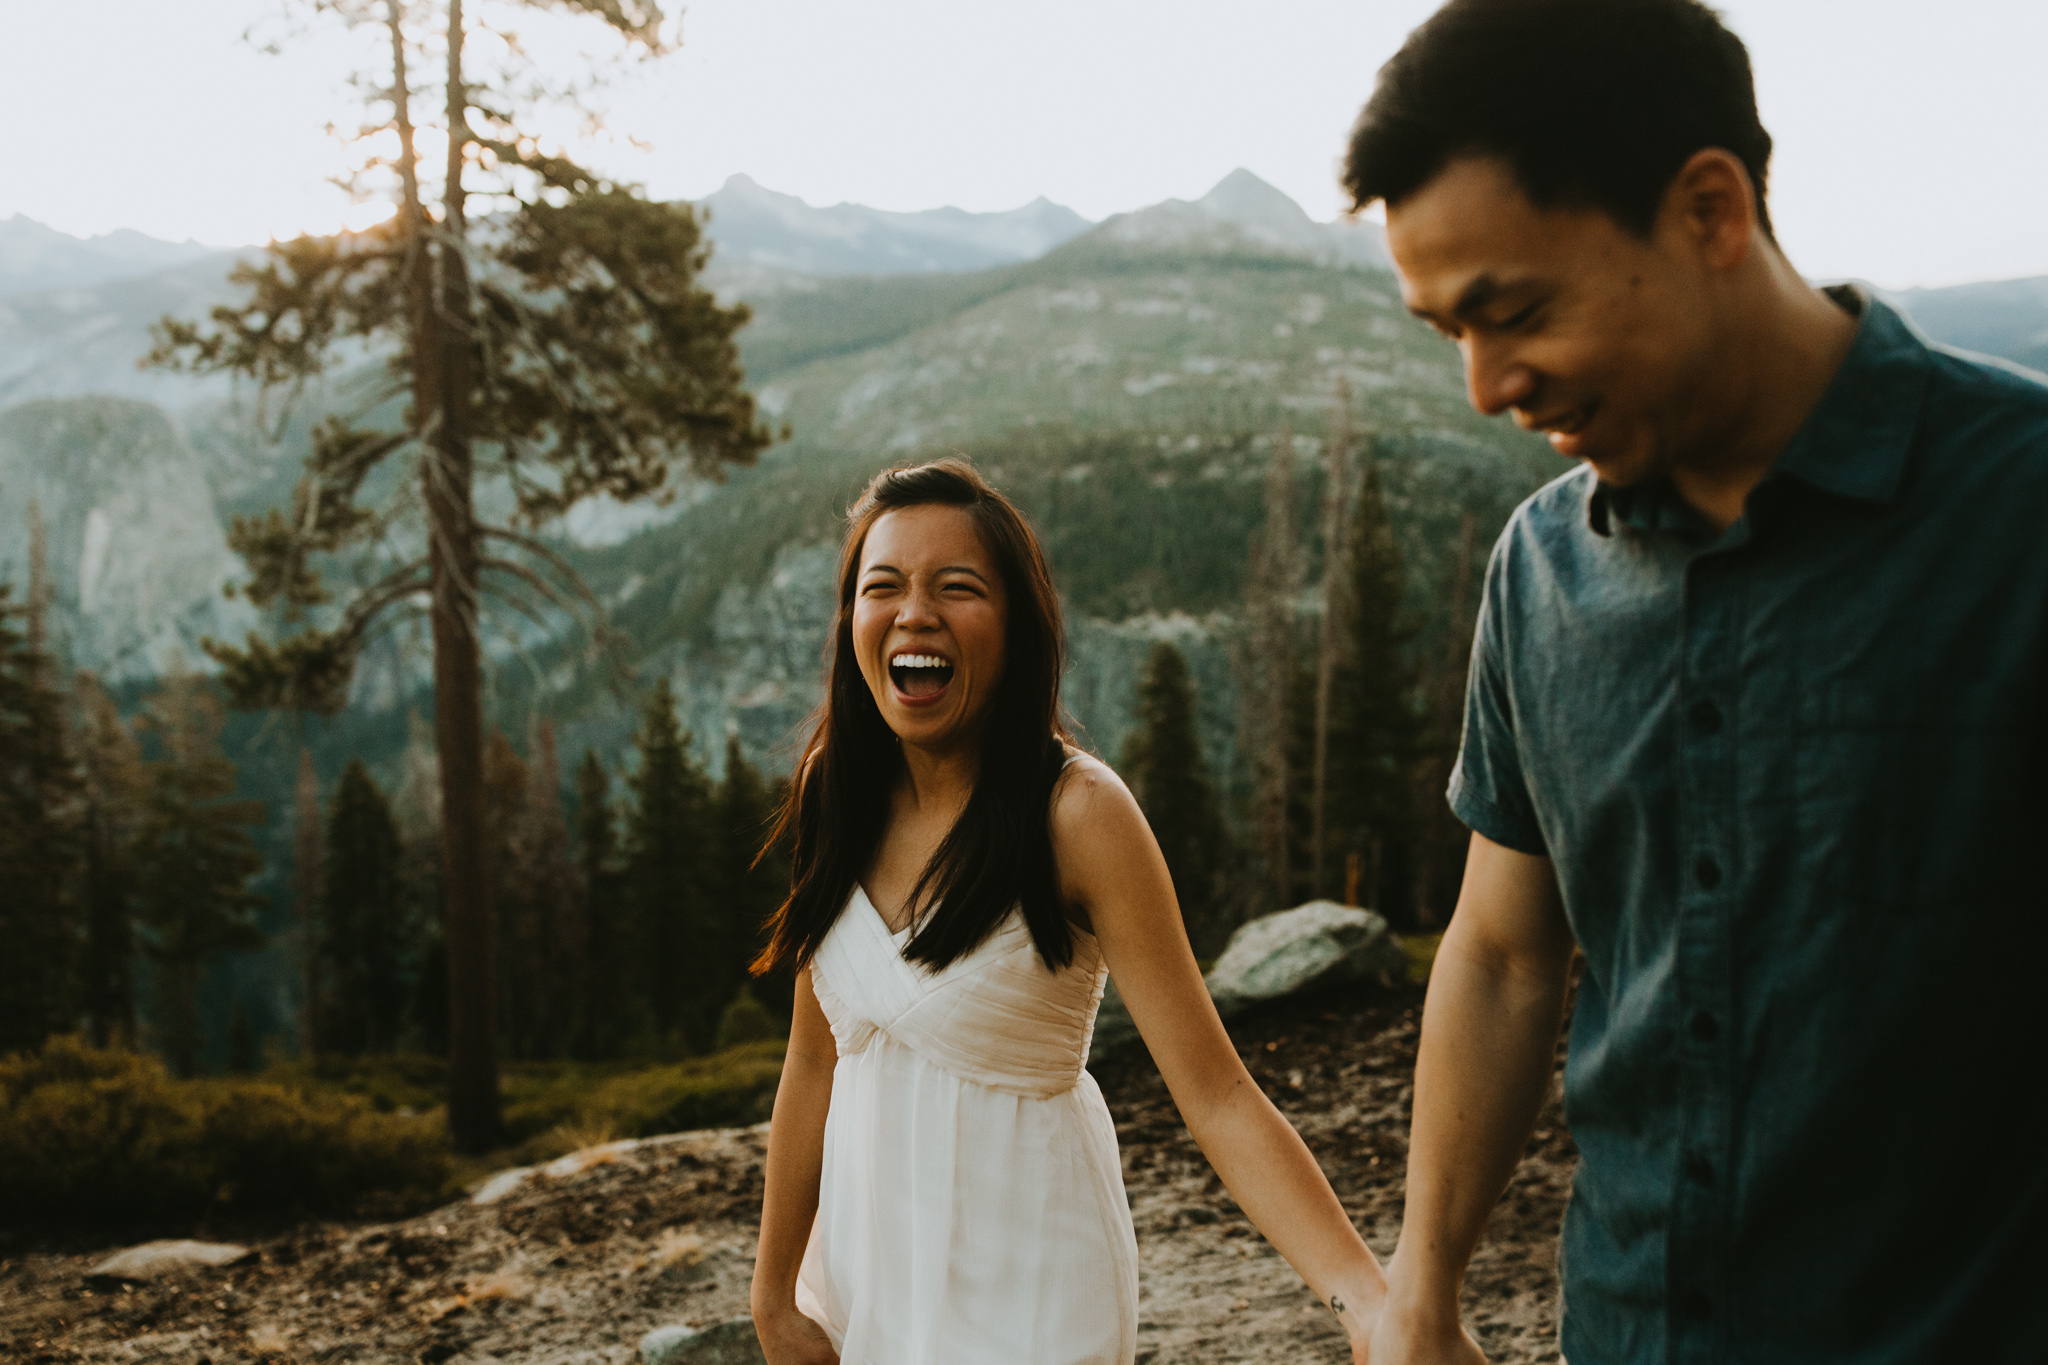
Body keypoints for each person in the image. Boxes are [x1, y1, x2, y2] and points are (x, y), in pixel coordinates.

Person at [1334, 1, 2048, 1362]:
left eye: (1516, 309)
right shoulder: (1538, 574)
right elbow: (1498, 950)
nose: (1484, 387)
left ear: (1709, 211)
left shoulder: (2021, 517)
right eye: (1448, 334)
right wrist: (1421, 1285)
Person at [745, 459, 1386, 1365]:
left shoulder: (1078, 814)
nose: (913, 611)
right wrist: (775, 1292)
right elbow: (814, 1058)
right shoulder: (835, 793)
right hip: (864, 1285)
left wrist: (1367, 1300)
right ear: (851, 617)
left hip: (1033, 1295)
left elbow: (1216, 1092)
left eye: (956, 587)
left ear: (1017, 625)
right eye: (881, 586)